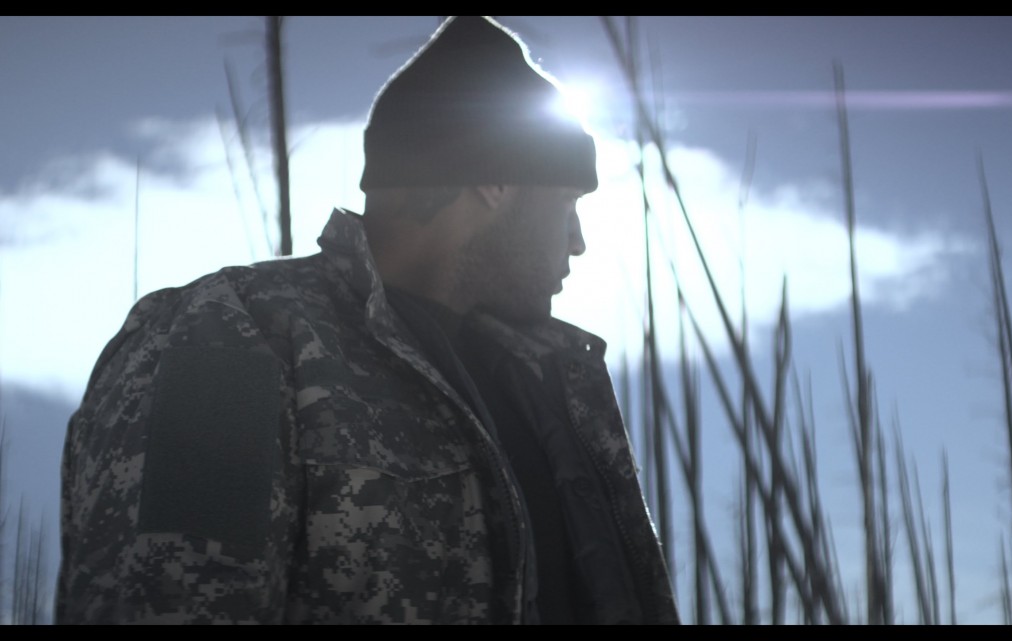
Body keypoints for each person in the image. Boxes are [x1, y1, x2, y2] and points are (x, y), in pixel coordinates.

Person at [55, 16, 679, 624]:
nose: (578, 241)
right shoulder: (233, 332)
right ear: (494, 178)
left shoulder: (543, 384)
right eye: (567, 203)